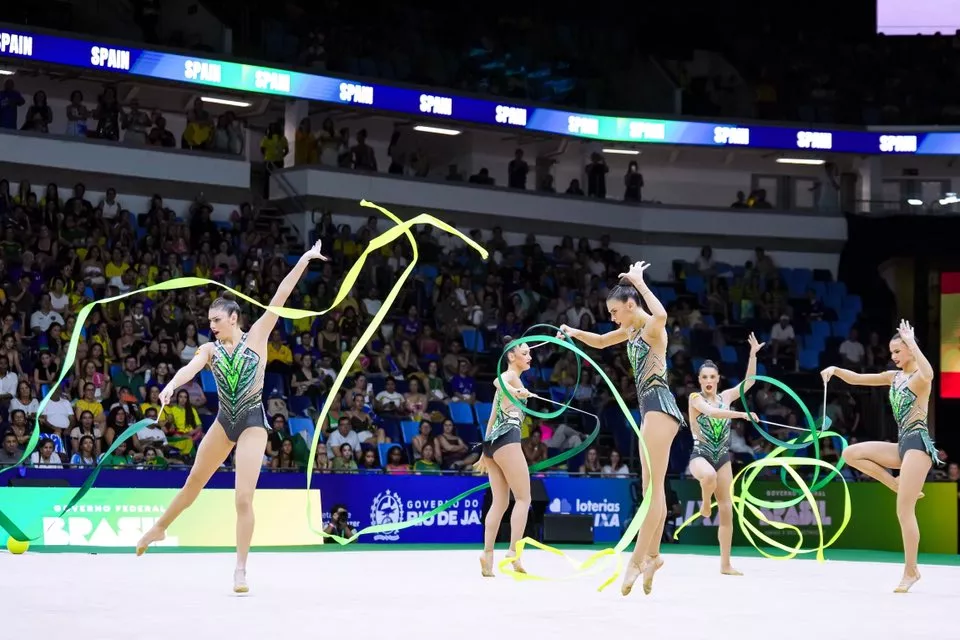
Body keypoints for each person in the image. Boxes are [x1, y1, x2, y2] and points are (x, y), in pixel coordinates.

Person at [135, 240, 329, 593]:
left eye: (217, 320)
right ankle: (160, 526)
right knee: (193, 482)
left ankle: (240, 569)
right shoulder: (208, 349)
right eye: (209, 321)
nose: (212, 326)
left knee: (242, 498)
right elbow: (189, 369)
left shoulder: (257, 336)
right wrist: (169, 386)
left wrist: (303, 259)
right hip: (225, 421)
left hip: (253, 422)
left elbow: (281, 295)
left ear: (234, 318)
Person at [560, 260, 685, 596]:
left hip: (660, 405)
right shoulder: (630, 331)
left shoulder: (651, 328)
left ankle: (637, 559)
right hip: (649, 408)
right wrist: (573, 334)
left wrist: (640, 282)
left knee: (653, 492)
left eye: (616, 311)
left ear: (631, 306)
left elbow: (660, 315)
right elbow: (601, 342)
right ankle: (654, 556)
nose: (613, 318)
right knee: (651, 489)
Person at [821, 320, 939, 593]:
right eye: (892, 352)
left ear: (910, 350)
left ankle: (911, 571)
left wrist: (911, 341)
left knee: (904, 510)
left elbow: (930, 373)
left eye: (898, 351)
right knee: (851, 453)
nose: (893, 357)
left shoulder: (920, 378)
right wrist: (835, 370)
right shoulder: (893, 377)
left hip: (918, 445)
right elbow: (859, 379)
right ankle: (894, 484)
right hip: (901, 445)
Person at [687, 332, 763, 576]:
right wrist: (742, 415)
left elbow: (749, 382)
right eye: (704, 377)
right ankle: (705, 503)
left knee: (728, 510)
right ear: (699, 380)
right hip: (700, 454)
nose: (708, 380)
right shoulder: (695, 398)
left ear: (718, 378)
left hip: (722, 456)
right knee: (708, 477)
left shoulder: (727, 397)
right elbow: (711, 413)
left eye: (712, 376)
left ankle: (725, 564)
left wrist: (752, 355)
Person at [476, 336, 534, 577]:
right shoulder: (510, 376)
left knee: (500, 502)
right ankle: (514, 553)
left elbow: (491, 417)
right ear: (512, 356)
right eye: (525, 352)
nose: (530, 356)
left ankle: (487, 556)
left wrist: (483, 452)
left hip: (492, 444)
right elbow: (497, 381)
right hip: (508, 439)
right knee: (523, 498)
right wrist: (517, 392)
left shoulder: (513, 379)